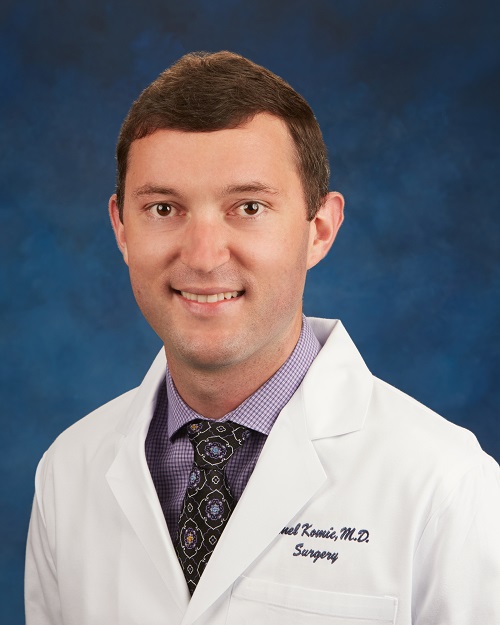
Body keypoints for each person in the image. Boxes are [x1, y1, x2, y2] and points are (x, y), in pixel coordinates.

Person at [25, 51, 500, 625]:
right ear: (121, 228)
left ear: (319, 229)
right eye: (163, 208)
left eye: (248, 207)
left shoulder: (446, 486)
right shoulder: (67, 471)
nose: (203, 257)